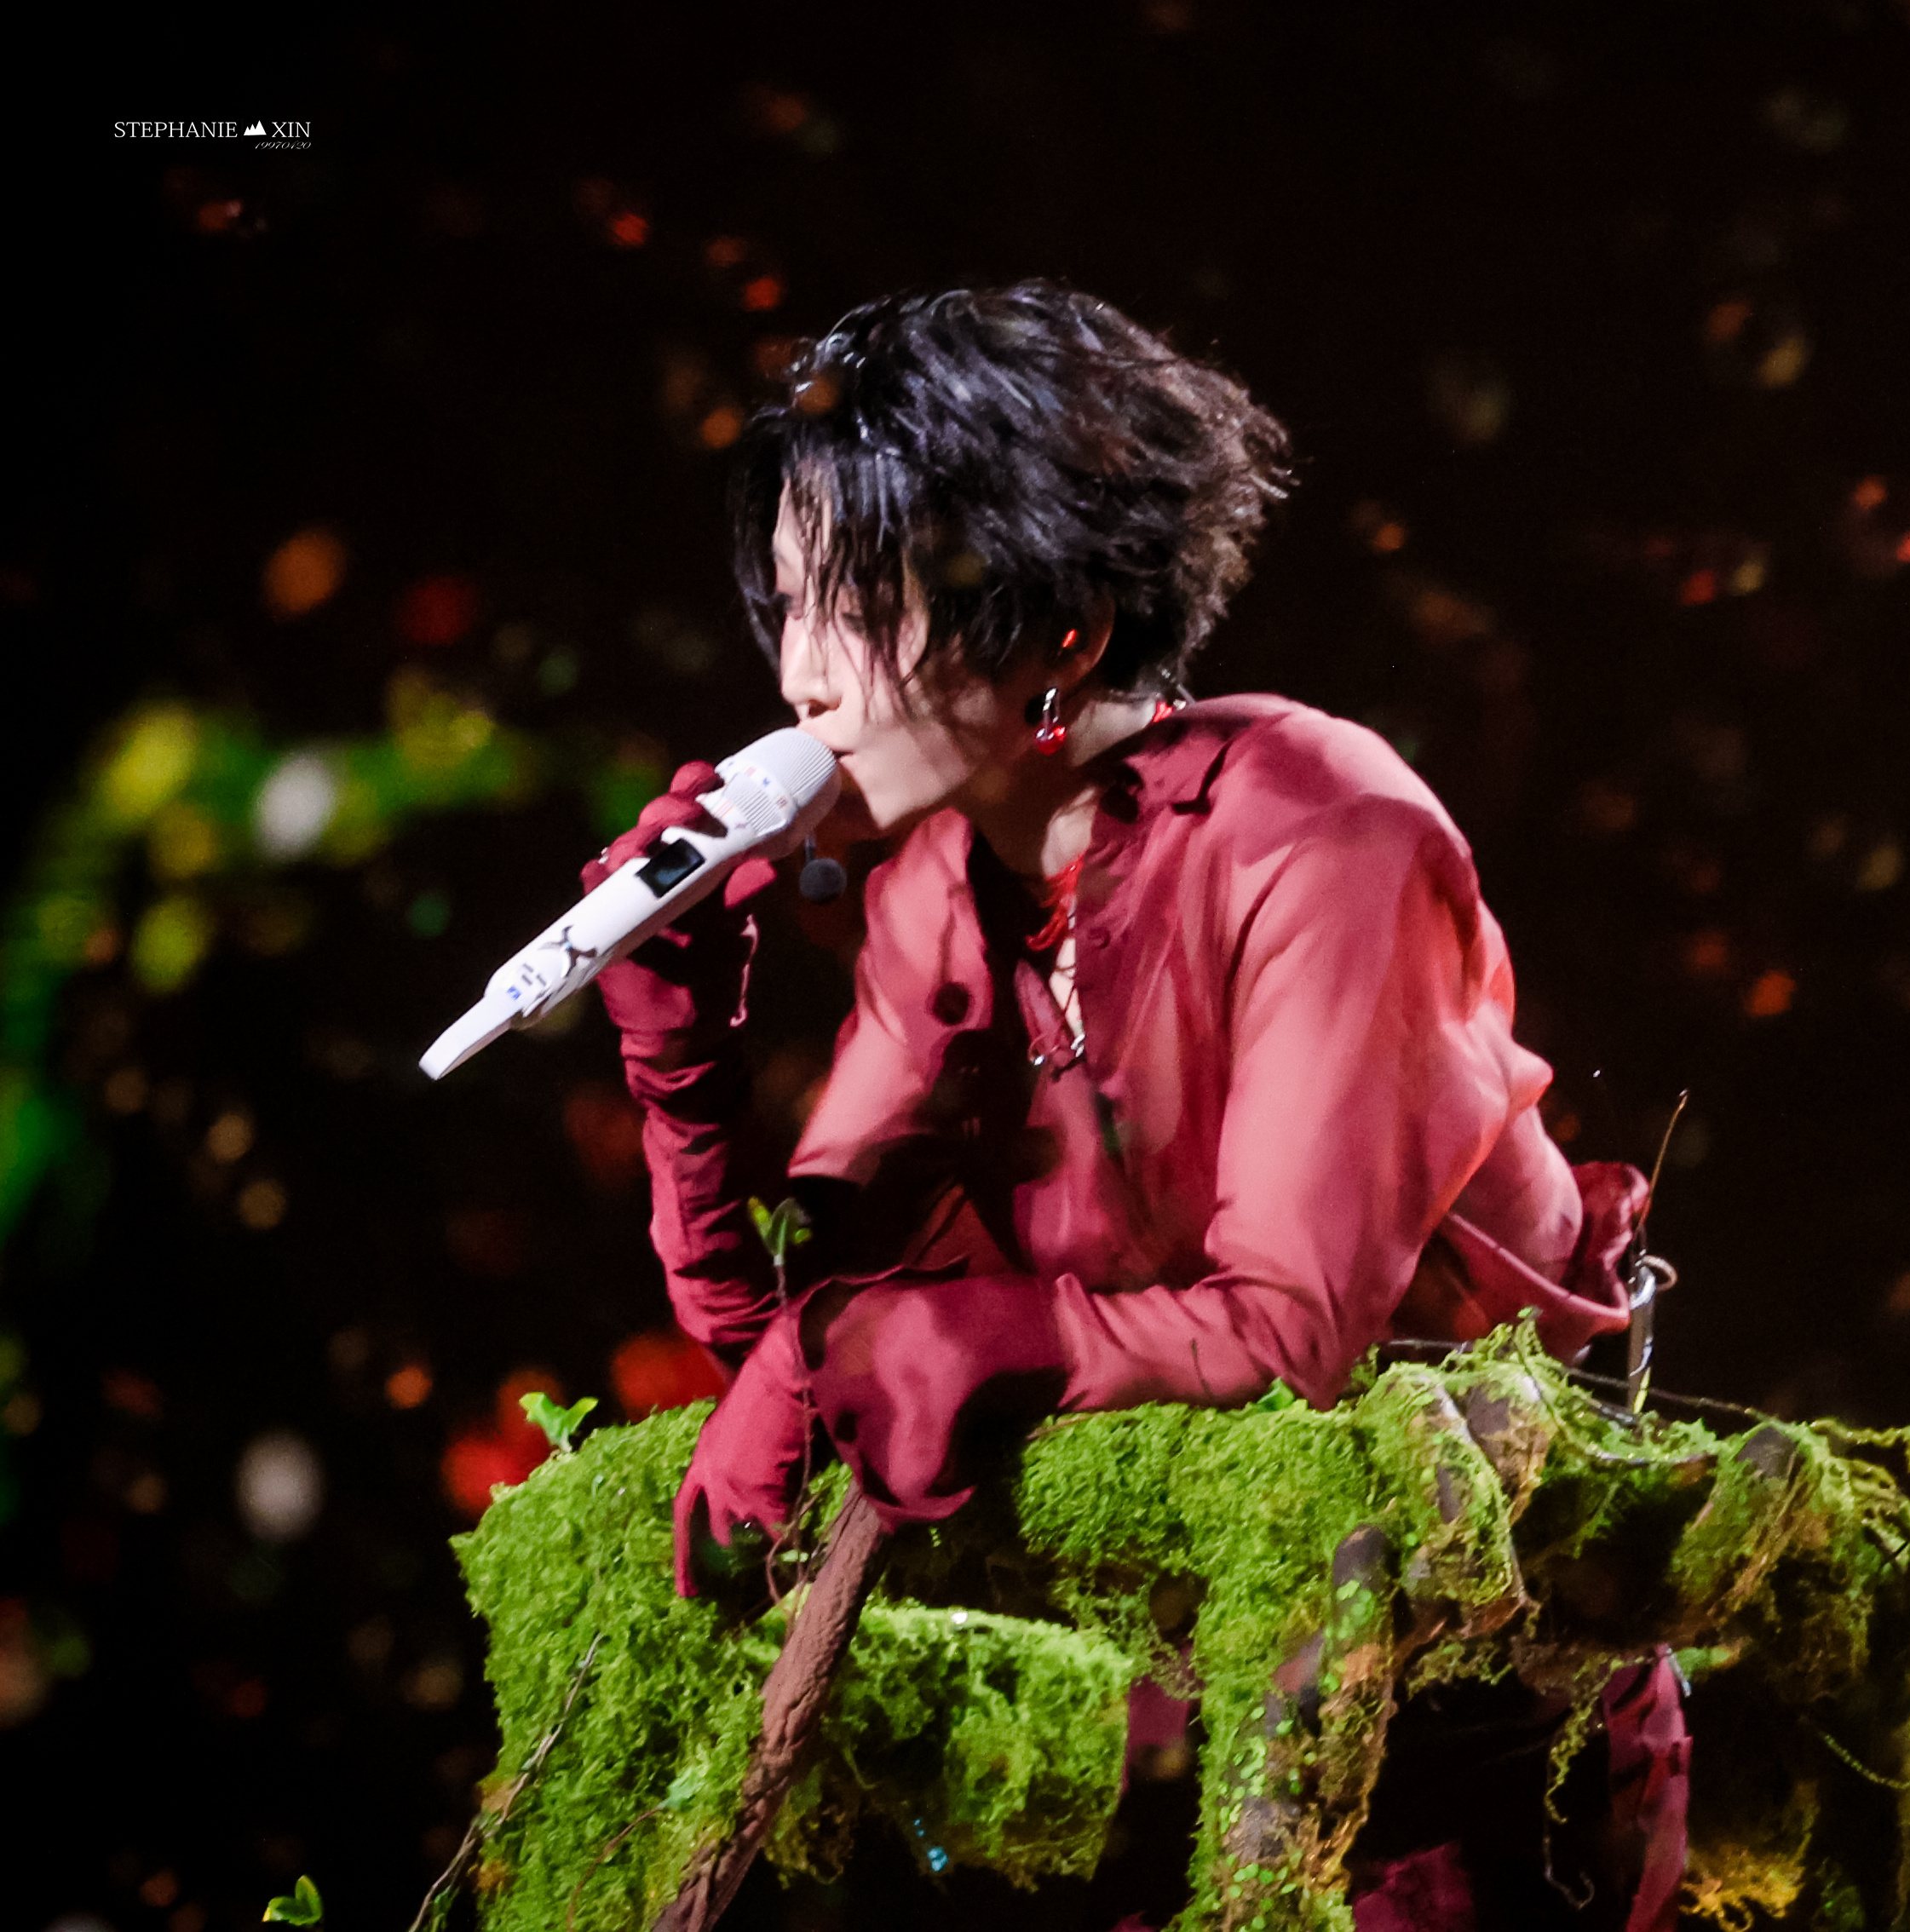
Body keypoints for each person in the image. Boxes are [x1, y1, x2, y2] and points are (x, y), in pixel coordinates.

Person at [589, 284, 1684, 1929]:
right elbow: (796, 1356)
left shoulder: (1326, 830)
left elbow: (1288, 1336)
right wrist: (684, 1057)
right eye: (791, 607)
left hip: (1470, 1737)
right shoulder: (935, 894)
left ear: (1065, 629)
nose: (800, 678)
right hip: (1186, 1727)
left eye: (857, 606)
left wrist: (906, 1344)